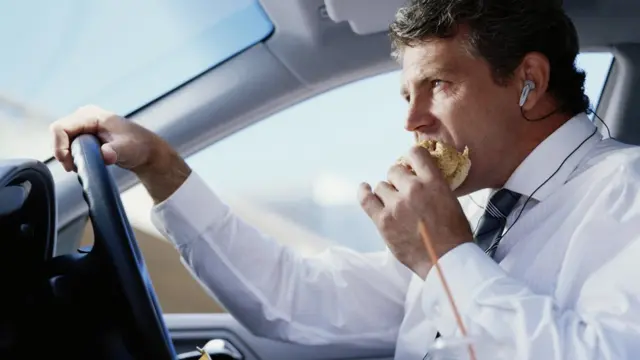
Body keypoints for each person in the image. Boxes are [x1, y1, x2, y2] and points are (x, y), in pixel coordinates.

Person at [50, 0, 640, 358]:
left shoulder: (625, 191)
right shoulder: (486, 214)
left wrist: (446, 258)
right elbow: (295, 299)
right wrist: (160, 165)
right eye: (408, 95)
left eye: (439, 85)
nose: (411, 121)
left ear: (528, 82)